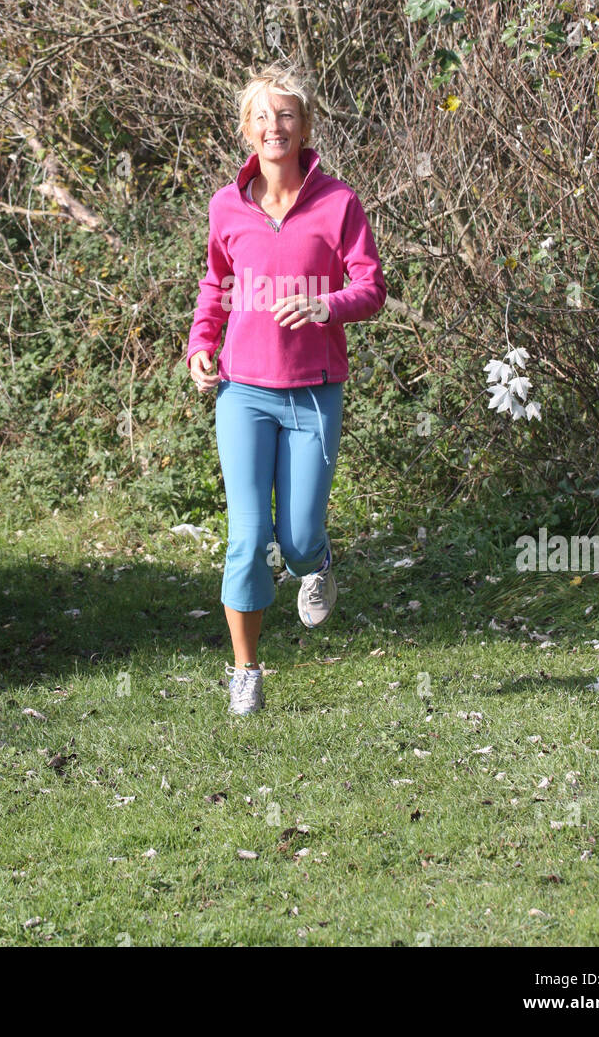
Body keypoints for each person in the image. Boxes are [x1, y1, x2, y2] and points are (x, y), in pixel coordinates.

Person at [186, 62, 386, 715]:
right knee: (247, 537)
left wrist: (329, 306)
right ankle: (246, 671)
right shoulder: (226, 207)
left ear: (304, 128)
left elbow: (372, 288)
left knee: (296, 538)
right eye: (263, 116)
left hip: (313, 393)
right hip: (242, 392)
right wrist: (200, 346)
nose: (275, 126)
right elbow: (215, 285)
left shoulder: (338, 203)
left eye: (287, 115)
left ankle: (318, 559)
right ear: (247, 130)